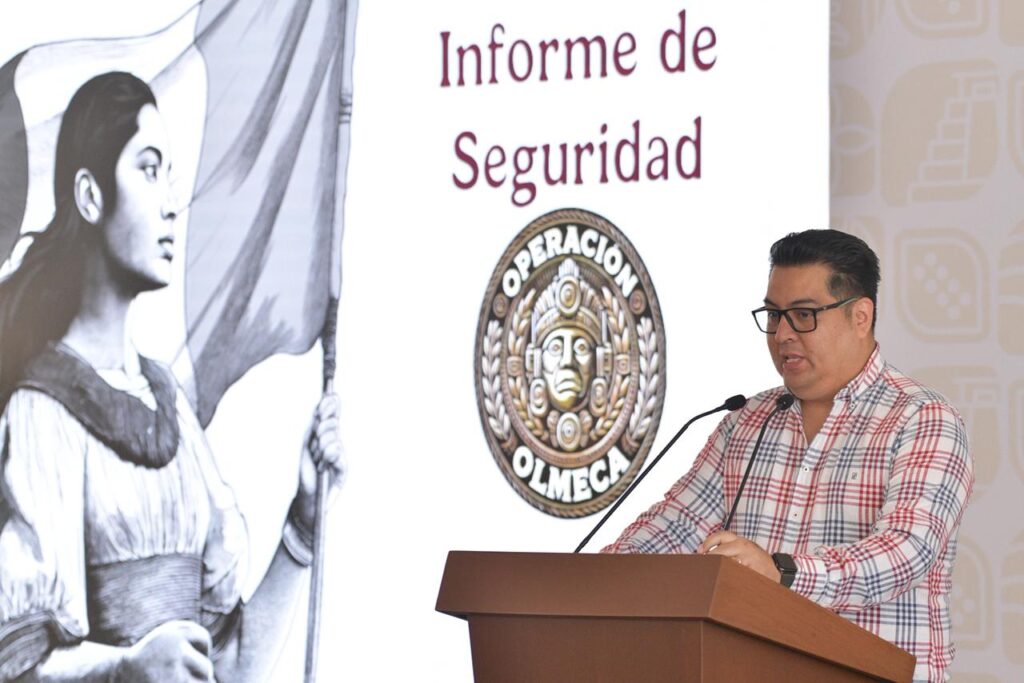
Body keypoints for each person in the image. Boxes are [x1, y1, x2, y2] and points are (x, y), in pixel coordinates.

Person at [0, 72, 345, 682]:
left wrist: (303, 524)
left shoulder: (171, 411)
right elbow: (18, 668)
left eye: (169, 175)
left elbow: (231, 666)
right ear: (90, 196)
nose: (170, 203)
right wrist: (126, 669)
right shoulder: (42, 412)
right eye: (148, 169)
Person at [603, 229, 973, 683]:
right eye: (774, 315)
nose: (782, 334)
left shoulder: (923, 418)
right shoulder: (746, 421)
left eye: (803, 315)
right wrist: (591, 581)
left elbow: (904, 554)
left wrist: (782, 572)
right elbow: (677, 527)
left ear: (861, 316)